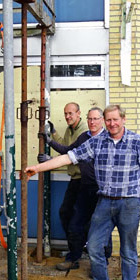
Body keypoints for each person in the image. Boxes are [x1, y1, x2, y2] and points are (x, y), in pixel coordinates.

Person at [26, 104, 140, 280]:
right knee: (95, 247)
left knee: (128, 252)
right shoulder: (97, 142)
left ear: (123, 119)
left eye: (115, 119)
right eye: (108, 120)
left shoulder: (138, 142)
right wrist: (37, 168)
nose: (112, 124)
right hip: (105, 202)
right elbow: (69, 156)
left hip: (129, 204)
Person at [40, 107, 112, 271]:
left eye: (96, 119)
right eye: (90, 119)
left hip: (102, 190)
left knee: (102, 227)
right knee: (75, 223)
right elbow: (69, 152)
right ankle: (73, 258)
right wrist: (50, 141)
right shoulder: (84, 137)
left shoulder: (108, 139)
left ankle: (102, 265)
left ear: (102, 120)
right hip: (84, 188)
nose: (92, 122)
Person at [47, 103, 88, 259]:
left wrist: (51, 158)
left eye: (70, 113)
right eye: (65, 114)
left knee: (78, 219)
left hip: (84, 181)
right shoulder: (70, 129)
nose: (67, 117)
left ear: (79, 113)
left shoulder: (83, 131)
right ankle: (76, 250)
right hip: (75, 179)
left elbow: (71, 153)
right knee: (66, 213)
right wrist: (54, 133)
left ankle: (78, 253)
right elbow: (65, 145)